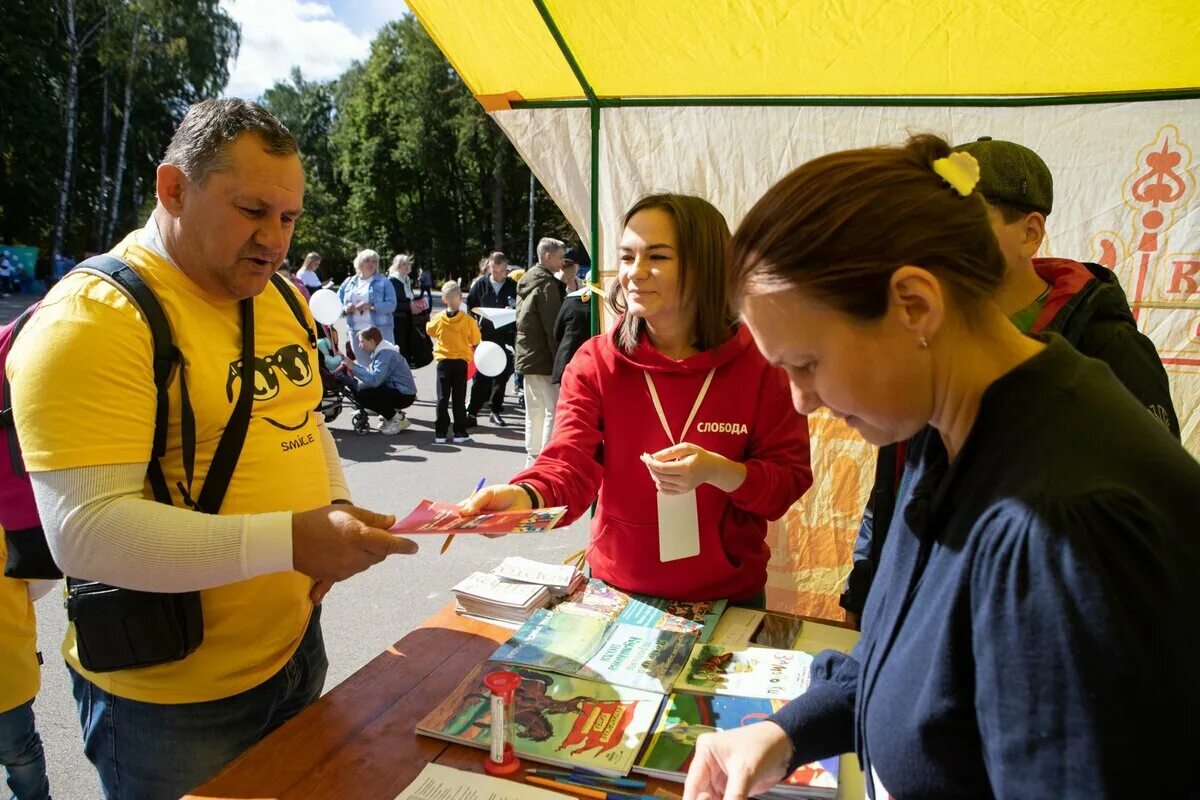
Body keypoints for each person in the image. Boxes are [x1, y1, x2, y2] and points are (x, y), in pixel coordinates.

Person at [681, 135, 1200, 800]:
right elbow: (905, 653)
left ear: (915, 306)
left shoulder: (1060, 526)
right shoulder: (947, 423)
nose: (801, 401)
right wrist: (788, 731)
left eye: (806, 364)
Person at [6, 98, 418, 799]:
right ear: (173, 189)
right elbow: (85, 533)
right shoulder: (92, 319)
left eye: (288, 218)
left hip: (293, 650)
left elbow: (303, 421)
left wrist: (337, 507)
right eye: (252, 209)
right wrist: (293, 542)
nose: (275, 239)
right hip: (167, 699)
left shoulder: (280, 298)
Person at [840, 136, 1182, 621]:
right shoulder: (926, 334)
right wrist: (867, 585)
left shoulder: (1106, 346)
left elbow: (1150, 515)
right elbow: (894, 477)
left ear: (1030, 231)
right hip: (917, 605)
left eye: (963, 224)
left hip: (1036, 619)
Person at [463, 194, 813, 604]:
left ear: (707, 266)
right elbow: (568, 464)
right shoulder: (595, 363)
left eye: (658, 257)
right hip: (617, 593)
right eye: (627, 258)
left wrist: (719, 471)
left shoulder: (762, 364)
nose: (635, 273)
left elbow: (787, 481)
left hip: (728, 598)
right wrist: (522, 498)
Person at [0, 532, 51, 800]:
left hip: (8, 677)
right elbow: (41, 581)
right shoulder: (9, 516)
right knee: (20, 757)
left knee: (19, 753)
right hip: (8, 676)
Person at [514, 237, 567, 465]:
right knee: (551, 410)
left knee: (533, 409)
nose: (563, 261)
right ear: (548, 256)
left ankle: (532, 455)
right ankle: (545, 458)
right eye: (560, 257)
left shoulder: (527, 280)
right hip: (544, 357)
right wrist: (560, 362)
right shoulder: (547, 285)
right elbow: (552, 327)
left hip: (527, 355)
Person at [466, 251, 518, 427]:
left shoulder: (513, 285)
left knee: (501, 376)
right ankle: (472, 413)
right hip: (484, 337)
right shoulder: (480, 284)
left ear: (506, 269)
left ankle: (495, 410)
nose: (496, 275)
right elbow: (470, 307)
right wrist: (474, 324)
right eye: (493, 271)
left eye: (500, 271)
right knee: (481, 376)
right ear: (489, 267)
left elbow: (519, 308)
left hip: (505, 336)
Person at [426, 280, 480, 444]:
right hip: (461, 361)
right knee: (459, 397)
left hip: (443, 361)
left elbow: (430, 329)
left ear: (444, 299)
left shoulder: (439, 318)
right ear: (460, 297)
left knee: (442, 397)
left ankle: (440, 432)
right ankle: (459, 432)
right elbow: (476, 338)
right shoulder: (467, 320)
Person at [347, 326, 416, 434]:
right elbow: (375, 376)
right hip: (399, 390)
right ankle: (392, 415)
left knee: (361, 393)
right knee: (360, 388)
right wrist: (354, 366)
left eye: (361, 342)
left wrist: (353, 367)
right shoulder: (382, 350)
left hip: (404, 394)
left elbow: (375, 380)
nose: (360, 346)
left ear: (371, 341)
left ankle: (397, 418)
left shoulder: (384, 354)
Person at [338, 249, 397, 361]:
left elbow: (392, 305)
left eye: (374, 261)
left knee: (384, 366)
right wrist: (346, 308)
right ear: (359, 262)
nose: (371, 264)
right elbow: (336, 303)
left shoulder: (384, 282)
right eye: (368, 260)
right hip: (356, 332)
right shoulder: (349, 282)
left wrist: (371, 307)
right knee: (363, 368)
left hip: (380, 331)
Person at [551, 248, 593, 386]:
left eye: (569, 265)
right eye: (563, 265)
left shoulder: (584, 285)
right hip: (564, 352)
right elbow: (557, 331)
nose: (566, 269)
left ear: (577, 267)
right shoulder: (554, 286)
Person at [387, 254, 416, 361]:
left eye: (408, 263)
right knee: (399, 348)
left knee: (406, 348)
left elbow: (409, 298)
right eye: (404, 264)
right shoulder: (393, 280)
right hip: (397, 320)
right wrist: (409, 305)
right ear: (397, 265)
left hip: (407, 319)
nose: (407, 266)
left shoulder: (406, 279)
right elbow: (392, 304)